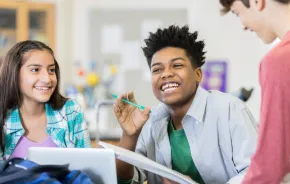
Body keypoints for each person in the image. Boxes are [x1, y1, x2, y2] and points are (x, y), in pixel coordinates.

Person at [114, 25, 258, 184]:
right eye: (157, 70)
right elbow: (125, 180)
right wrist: (129, 136)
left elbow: (257, 175)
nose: (166, 74)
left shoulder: (231, 109)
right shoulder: (151, 122)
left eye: (177, 65)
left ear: (198, 74)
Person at [219, 0, 290, 183]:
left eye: (238, 13)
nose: (243, 25)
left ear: (257, 2)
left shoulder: (278, 61)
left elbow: (270, 167)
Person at [0, 40, 91, 161]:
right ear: (14, 74)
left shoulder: (71, 111)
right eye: (35, 70)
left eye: (51, 70)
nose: (47, 79)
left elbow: (87, 168)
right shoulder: (3, 115)